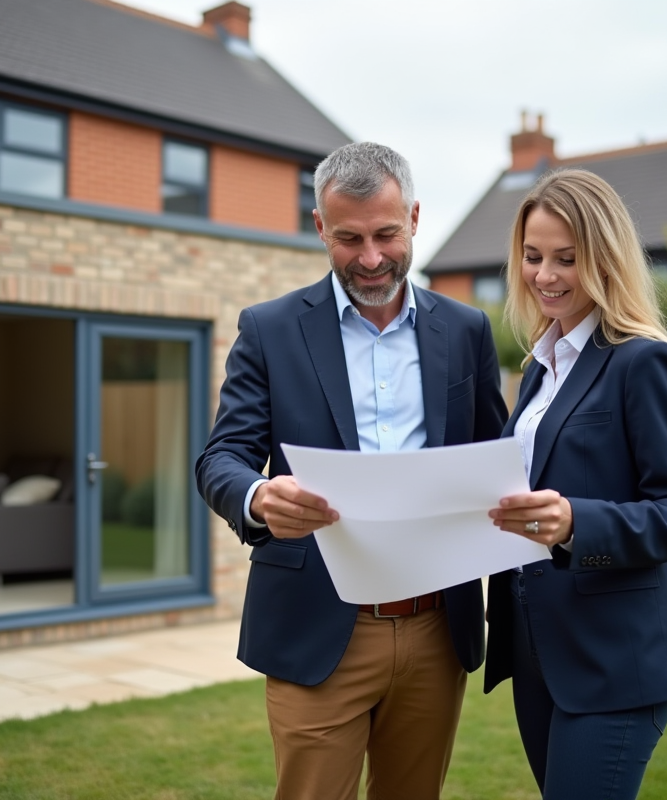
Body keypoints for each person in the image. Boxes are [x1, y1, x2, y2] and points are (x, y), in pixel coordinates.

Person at [195, 142, 508, 800]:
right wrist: (257, 495)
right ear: (319, 228)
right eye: (349, 238)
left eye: (387, 234)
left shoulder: (468, 330)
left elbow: (496, 463)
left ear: (415, 218)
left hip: (435, 629)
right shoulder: (270, 329)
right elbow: (220, 458)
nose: (370, 258)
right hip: (316, 625)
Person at [483, 168, 667, 799]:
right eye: (532, 257)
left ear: (604, 259)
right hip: (538, 652)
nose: (544, 275)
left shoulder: (644, 362)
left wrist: (576, 524)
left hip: (614, 662)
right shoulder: (537, 371)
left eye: (566, 260)